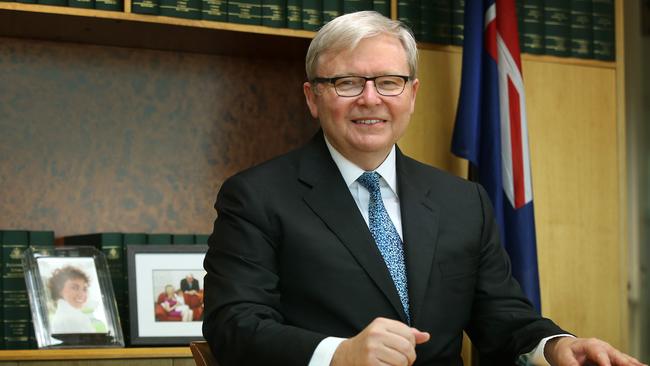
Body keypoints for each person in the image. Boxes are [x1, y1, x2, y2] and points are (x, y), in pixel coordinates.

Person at [202, 11, 645, 366]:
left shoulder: (462, 201)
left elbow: (505, 319)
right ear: (312, 97)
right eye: (347, 82)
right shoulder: (255, 196)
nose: (370, 99)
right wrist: (340, 355)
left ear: (411, 93)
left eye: (388, 82)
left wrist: (553, 346)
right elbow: (233, 326)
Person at [48, 265, 105, 334]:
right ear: (59, 290)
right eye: (74, 288)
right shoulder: (72, 318)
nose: (82, 294)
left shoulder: (68, 315)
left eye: (84, 289)